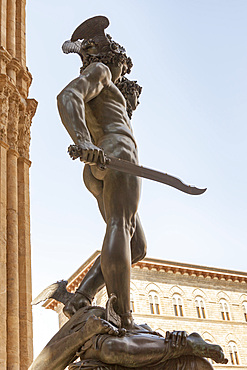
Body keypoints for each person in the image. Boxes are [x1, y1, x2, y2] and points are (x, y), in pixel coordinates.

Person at [57, 16, 146, 329]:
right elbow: (67, 96)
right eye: (123, 67)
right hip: (116, 155)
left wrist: (90, 147)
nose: (123, 74)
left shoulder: (107, 83)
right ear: (114, 59)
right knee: (121, 224)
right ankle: (123, 318)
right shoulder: (102, 72)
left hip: (101, 164)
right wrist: (82, 141)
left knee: (136, 245)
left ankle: (82, 295)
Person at [29, 306, 228, 370]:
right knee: (199, 366)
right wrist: (84, 334)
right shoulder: (84, 322)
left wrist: (83, 333)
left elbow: (39, 368)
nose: (68, 308)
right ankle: (183, 343)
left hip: (118, 340)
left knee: (198, 365)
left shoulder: (85, 316)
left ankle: (185, 343)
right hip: (110, 346)